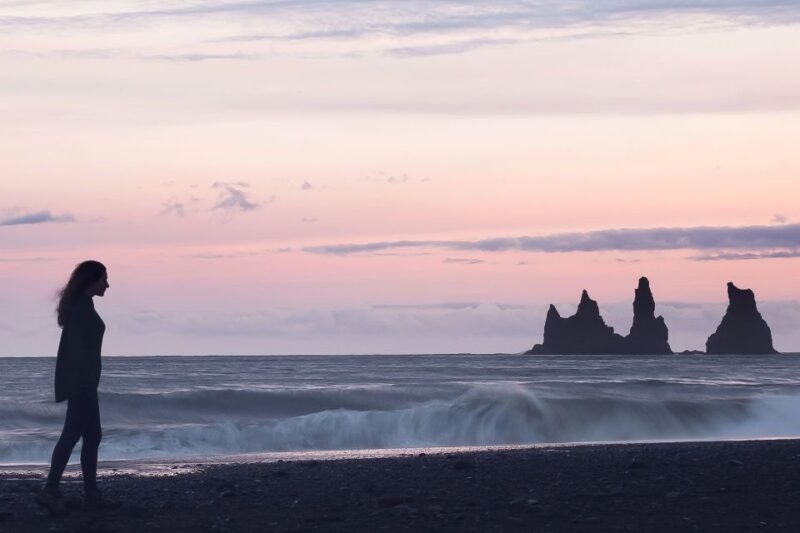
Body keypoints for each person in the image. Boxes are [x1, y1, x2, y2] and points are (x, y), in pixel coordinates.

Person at [35, 260, 116, 513]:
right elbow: (77, 351)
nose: (108, 284)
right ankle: (51, 490)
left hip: (84, 382)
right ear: (91, 279)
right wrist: (82, 385)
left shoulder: (83, 305)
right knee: (72, 435)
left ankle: (90, 494)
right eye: (104, 279)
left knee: (92, 436)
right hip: (82, 383)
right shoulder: (81, 308)